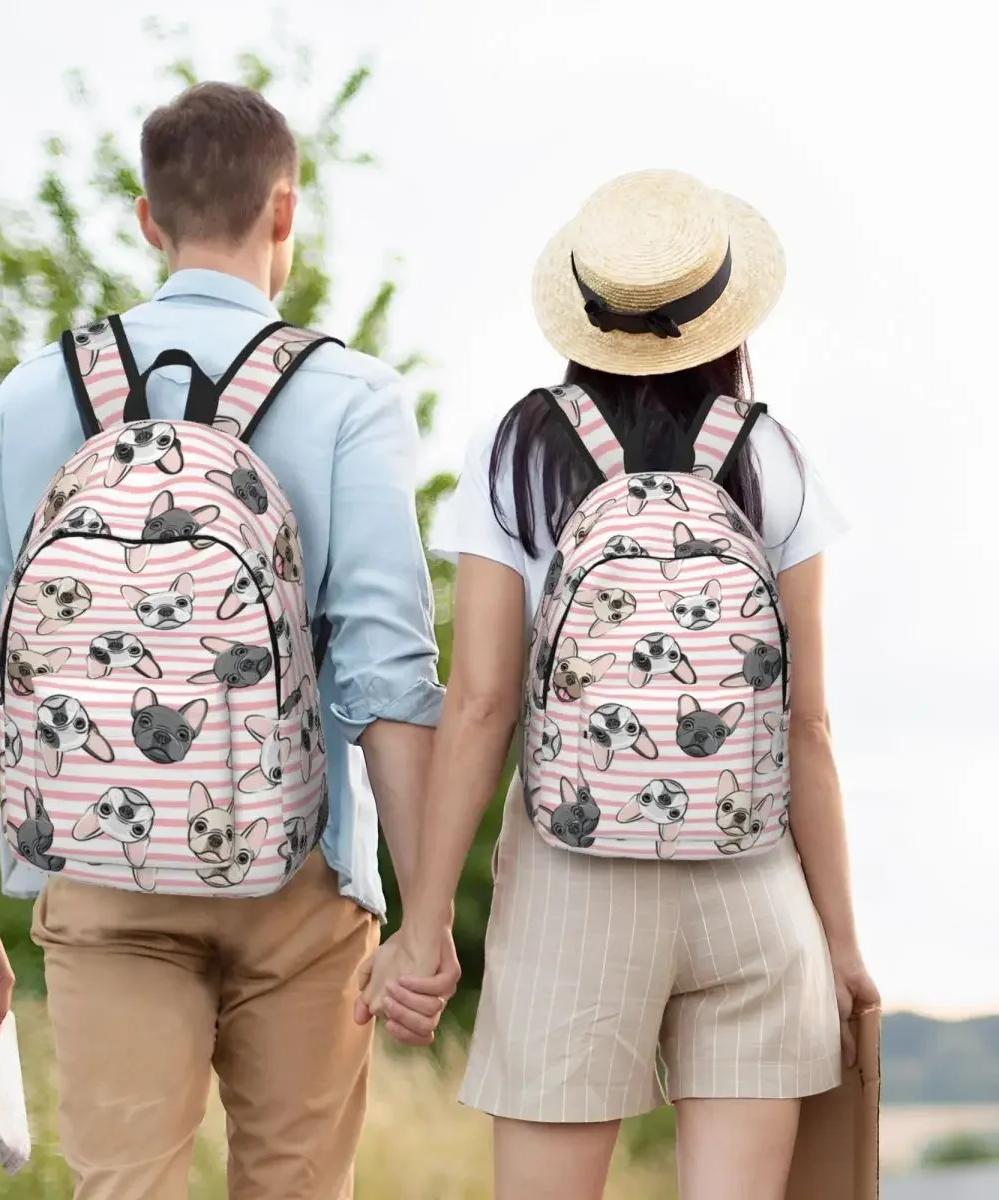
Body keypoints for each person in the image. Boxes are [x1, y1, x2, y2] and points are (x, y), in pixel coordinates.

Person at [0, 81, 459, 1200]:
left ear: (148, 219)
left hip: (101, 876)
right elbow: (388, 680)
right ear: (285, 212)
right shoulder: (350, 395)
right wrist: (426, 916)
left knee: (124, 1186)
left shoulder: (35, 394)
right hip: (301, 877)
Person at [358, 169, 880, 1200]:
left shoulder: (516, 450)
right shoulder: (773, 455)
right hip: (753, 885)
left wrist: (423, 928)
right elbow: (808, 723)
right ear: (724, 315)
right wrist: (842, 944)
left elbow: (480, 704)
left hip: (572, 884)